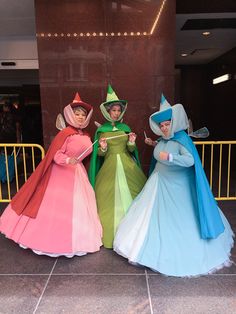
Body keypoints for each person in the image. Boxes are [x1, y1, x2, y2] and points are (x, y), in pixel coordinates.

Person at [113, 94, 234, 277]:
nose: (164, 127)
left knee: (180, 220)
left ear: (174, 122)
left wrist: (170, 157)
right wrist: (154, 143)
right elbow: (163, 148)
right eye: (161, 125)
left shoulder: (182, 139)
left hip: (179, 188)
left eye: (167, 124)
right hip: (159, 184)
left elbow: (190, 160)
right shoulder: (163, 140)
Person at [0, 93, 102, 257]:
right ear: (70, 114)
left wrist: (101, 147)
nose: (81, 117)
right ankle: (51, 239)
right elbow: (55, 155)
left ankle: (79, 237)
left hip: (78, 174)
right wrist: (68, 159)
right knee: (57, 208)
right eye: (77, 114)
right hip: (61, 175)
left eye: (83, 114)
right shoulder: (65, 133)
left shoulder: (86, 135)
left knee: (80, 206)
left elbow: (87, 154)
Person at [89, 84, 147, 248]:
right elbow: (99, 156)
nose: (116, 113)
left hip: (128, 166)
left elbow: (131, 150)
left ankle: (135, 232)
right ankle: (111, 234)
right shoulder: (102, 131)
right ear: (107, 112)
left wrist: (131, 142)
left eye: (118, 110)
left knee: (134, 194)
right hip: (109, 167)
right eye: (113, 110)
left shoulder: (125, 128)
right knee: (108, 200)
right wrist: (103, 147)